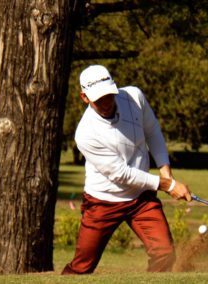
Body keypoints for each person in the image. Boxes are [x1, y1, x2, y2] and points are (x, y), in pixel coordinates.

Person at [62, 65, 192, 275]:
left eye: (108, 95)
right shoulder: (85, 134)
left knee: (165, 252)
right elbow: (121, 174)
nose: (106, 103)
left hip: (141, 199)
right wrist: (168, 185)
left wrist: (165, 170)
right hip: (103, 201)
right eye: (98, 99)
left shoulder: (134, 97)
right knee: (82, 267)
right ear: (84, 97)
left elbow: (152, 132)